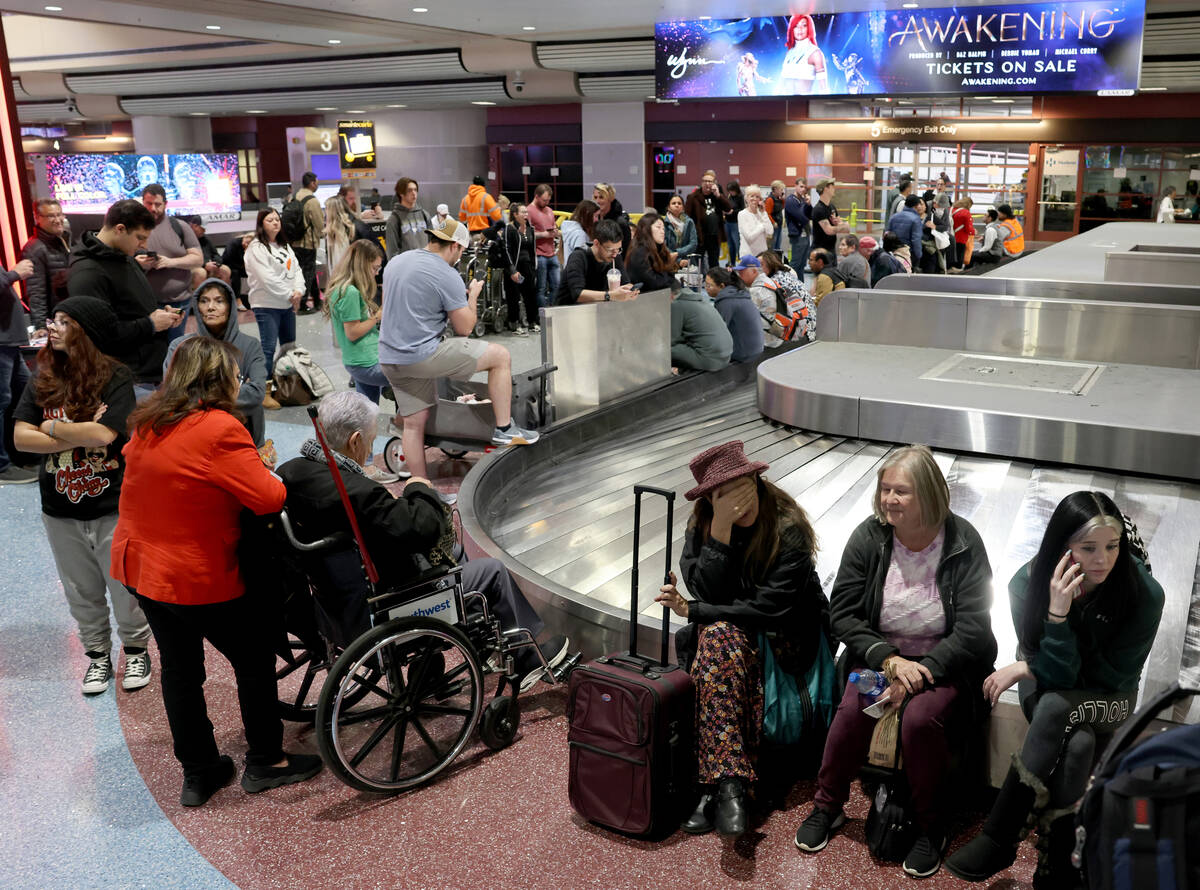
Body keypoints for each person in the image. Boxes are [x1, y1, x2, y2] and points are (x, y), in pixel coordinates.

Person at [111, 336, 322, 807]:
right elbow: (269, 498)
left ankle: (199, 771)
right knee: (252, 658)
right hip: (194, 573)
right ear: (218, 377)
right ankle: (267, 760)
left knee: (181, 671)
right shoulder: (219, 428)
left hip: (142, 567)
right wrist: (261, 470)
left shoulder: (148, 423)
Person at [278, 391, 570, 691]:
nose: (368, 450)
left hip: (336, 602)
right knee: (491, 572)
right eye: (368, 441)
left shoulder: (292, 472)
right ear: (354, 440)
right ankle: (526, 657)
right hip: (385, 602)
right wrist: (418, 488)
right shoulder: (356, 491)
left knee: (456, 553)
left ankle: (440, 658)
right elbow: (419, 528)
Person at [795, 445, 996, 879]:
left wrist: (921, 672)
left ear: (927, 494)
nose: (889, 499)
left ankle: (931, 827)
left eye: (900, 491)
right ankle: (827, 806)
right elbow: (844, 612)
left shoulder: (963, 542)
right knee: (853, 712)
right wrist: (889, 661)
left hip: (942, 664)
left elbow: (974, 627)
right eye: (885, 489)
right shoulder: (870, 538)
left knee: (920, 720)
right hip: (883, 660)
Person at [947, 492, 1164, 887]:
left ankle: (1000, 835)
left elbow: (1109, 679)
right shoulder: (1027, 583)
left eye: (1112, 546)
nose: (1103, 559)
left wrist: (1027, 664)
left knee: (1058, 711)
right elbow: (1056, 679)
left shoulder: (1144, 595)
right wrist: (1058, 615)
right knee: (1077, 743)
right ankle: (1060, 861)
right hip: (1048, 687)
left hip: (1110, 700)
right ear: (1063, 546)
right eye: (1088, 548)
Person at [656, 440, 829, 837]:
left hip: (784, 642)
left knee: (716, 640)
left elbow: (768, 609)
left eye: (739, 486)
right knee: (718, 641)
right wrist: (720, 532)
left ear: (755, 478)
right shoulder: (705, 524)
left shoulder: (788, 529)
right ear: (709, 500)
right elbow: (708, 591)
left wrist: (694, 612)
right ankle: (730, 784)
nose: (734, 501)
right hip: (731, 643)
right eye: (721, 494)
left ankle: (713, 787)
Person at [13, 296, 151, 692]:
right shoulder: (43, 378)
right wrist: (77, 427)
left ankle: (136, 650)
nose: (52, 327)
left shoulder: (116, 376)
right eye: (52, 320)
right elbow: (21, 438)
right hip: (59, 507)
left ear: (85, 331)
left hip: (112, 502)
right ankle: (97, 656)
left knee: (123, 585)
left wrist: (51, 429)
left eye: (64, 321)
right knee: (79, 589)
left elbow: (105, 434)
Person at [379, 217, 540, 484]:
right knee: (501, 357)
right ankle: (503, 428)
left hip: (390, 356)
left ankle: (420, 487)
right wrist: (473, 295)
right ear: (454, 246)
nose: (460, 257)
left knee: (413, 423)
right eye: (462, 251)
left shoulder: (396, 261)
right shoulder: (447, 273)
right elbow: (465, 327)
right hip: (423, 355)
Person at [68, 199, 179, 391]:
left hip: (150, 373)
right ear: (120, 229)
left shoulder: (123, 257)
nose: (144, 245)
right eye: (140, 238)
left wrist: (161, 317)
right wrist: (151, 324)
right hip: (126, 380)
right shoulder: (87, 272)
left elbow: (132, 309)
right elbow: (102, 337)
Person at [165, 278, 271, 445]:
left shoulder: (250, 346)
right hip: (194, 436)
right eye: (204, 301)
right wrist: (234, 391)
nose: (210, 307)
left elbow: (257, 393)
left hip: (243, 435)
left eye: (219, 301)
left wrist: (197, 393)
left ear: (230, 307)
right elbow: (173, 393)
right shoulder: (180, 346)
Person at [139, 183, 203, 344]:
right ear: (143, 203)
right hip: (148, 303)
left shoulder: (179, 227)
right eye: (149, 203)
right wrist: (139, 263)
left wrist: (170, 262)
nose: (153, 208)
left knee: (176, 346)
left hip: (180, 300)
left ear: (165, 204)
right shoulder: (135, 228)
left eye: (158, 204)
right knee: (152, 348)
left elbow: (198, 259)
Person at [244, 207, 304, 375]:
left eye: (277, 219)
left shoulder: (283, 245)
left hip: (287, 305)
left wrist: (299, 290)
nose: (275, 223)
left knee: (289, 346)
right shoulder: (256, 248)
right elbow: (267, 278)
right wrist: (290, 295)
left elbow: (296, 270)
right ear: (261, 224)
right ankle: (264, 388)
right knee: (268, 349)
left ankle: (287, 385)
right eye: (270, 220)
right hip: (266, 305)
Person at [0, 256, 36, 485]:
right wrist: (14, 274)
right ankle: (2, 466)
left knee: (24, 397)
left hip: (9, 342)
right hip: (2, 342)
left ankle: (21, 454)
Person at [555, 219, 638, 306]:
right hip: (568, 311)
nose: (614, 254)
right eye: (610, 250)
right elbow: (578, 294)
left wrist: (629, 290)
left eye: (618, 249)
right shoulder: (579, 257)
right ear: (596, 243)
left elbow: (625, 282)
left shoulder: (615, 256)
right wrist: (609, 295)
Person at [22, 198, 72, 334]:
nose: (57, 220)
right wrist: (41, 326)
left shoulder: (67, 241)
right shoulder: (34, 248)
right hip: (57, 321)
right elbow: (36, 291)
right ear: (38, 218)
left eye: (59, 214)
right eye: (51, 216)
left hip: (73, 317)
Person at [489, 201, 539, 334]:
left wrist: (534, 269)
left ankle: (532, 322)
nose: (525, 215)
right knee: (514, 296)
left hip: (527, 266)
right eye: (523, 212)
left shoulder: (530, 229)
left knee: (530, 294)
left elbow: (532, 250)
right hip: (514, 267)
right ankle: (514, 323)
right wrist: (512, 270)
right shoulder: (509, 229)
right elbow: (506, 250)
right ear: (515, 214)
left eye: (526, 212)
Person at [670, 279, 732, 372]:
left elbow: (672, 340)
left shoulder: (676, 304)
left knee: (664, 349)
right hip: (726, 356)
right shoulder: (699, 300)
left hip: (710, 360)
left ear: (669, 295)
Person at [707, 268, 763, 363]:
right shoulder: (739, 294)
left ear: (721, 286)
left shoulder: (726, 301)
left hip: (743, 353)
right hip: (756, 349)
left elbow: (717, 332)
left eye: (709, 285)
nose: (706, 288)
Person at [760, 250, 815, 343]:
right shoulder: (787, 274)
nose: (757, 268)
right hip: (811, 326)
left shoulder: (773, 282)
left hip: (801, 331)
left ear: (770, 265)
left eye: (761, 265)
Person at [292, 172, 325, 314]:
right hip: (307, 242)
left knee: (307, 272)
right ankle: (302, 304)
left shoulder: (296, 196)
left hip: (295, 241)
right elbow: (318, 223)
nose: (317, 185)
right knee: (307, 273)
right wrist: (323, 233)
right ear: (312, 183)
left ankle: (317, 300)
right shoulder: (312, 200)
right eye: (316, 182)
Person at [685, 172, 731, 271]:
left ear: (714, 183)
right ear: (701, 183)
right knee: (698, 262)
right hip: (700, 236)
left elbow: (728, 208)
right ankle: (698, 282)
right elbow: (686, 217)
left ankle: (714, 282)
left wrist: (718, 195)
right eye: (705, 181)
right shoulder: (693, 197)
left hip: (714, 235)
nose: (707, 183)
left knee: (714, 262)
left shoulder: (717, 196)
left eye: (710, 181)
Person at [732, 254, 780, 348]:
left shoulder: (756, 291)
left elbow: (745, 318)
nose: (739, 276)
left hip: (766, 340)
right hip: (777, 335)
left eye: (742, 272)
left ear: (754, 271)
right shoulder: (769, 282)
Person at [625, 213, 678, 293]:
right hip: (646, 299)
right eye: (658, 227)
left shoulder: (659, 249)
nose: (662, 232)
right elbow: (654, 283)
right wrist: (668, 274)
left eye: (663, 229)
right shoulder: (639, 251)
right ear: (646, 229)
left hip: (661, 295)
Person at [527, 184, 560, 309]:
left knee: (557, 286)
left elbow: (553, 226)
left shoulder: (549, 210)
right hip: (539, 255)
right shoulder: (529, 211)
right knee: (540, 288)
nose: (546, 202)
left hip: (552, 253)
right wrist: (544, 234)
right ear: (537, 196)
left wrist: (555, 232)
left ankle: (552, 310)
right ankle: (542, 316)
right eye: (544, 200)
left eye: (548, 200)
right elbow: (526, 234)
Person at [778, 13, 829, 94]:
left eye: (804, 25)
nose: (800, 29)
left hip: (805, 102)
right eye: (796, 26)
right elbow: (781, 82)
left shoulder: (815, 53)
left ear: (809, 28)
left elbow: (823, 88)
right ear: (792, 29)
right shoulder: (789, 52)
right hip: (785, 102)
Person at [386, 176, 433, 259]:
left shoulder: (424, 214)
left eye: (415, 190)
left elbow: (433, 243)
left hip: (425, 264)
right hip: (406, 267)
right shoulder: (394, 219)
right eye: (409, 190)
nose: (413, 193)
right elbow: (392, 252)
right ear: (401, 193)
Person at [181, 215, 231, 288]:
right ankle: (197, 297)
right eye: (202, 228)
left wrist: (217, 263)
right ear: (195, 226)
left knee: (225, 270)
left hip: (208, 265)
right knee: (201, 273)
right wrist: (204, 265)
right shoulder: (184, 239)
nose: (204, 231)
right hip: (192, 267)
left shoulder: (205, 239)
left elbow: (215, 254)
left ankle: (223, 295)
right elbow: (187, 258)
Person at [592, 182, 632, 257]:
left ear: (610, 198)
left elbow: (626, 250)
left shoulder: (620, 223)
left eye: (601, 197)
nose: (597, 201)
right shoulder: (594, 218)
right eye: (595, 197)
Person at [809, 179, 846, 257]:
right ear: (826, 188)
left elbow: (841, 224)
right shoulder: (818, 209)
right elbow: (829, 230)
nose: (834, 189)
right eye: (832, 186)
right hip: (820, 252)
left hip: (831, 249)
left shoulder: (832, 207)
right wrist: (842, 226)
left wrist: (839, 225)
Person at [784, 179, 811, 277]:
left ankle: (801, 287)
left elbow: (810, 215)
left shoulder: (803, 200)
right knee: (795, 264)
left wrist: (808, 205)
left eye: (805, 187)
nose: (803, 189)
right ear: (795, 186)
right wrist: (804, 205)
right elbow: (801, 217)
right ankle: (790, 285)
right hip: (797, 236)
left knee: (802, 265)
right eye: (801, 186)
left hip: (806, 234)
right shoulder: (791, 200)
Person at [738, 185, 774, 258]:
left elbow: (770, 232)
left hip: (762, 254)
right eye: (752, 196)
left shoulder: (762, 213)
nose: (755, 199)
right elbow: (749, 237)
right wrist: (762, 226)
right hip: (748, 255)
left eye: (757, 197)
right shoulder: (742, 214)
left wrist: (764, 213)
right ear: (746, 198)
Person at [890, 194, 925, 270]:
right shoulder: (916, 219)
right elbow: (916, 239)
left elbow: (887, 234)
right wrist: (919, 255)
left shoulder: (894, 217)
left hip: (894, 252)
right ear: (916, 206)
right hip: (908, 253)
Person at [324, 195, 355, 277]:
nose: (325, 212)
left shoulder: (348, 230)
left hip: (347, 276)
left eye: (327, 209)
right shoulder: (331, 231)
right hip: (337, 276)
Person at [663, 194, 698, 266]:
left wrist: (678, 253)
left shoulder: (689, 222)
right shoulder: (664, 223)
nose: (677, 205)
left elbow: (693, 243)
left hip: (688, 261)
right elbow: (663, 245)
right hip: (670, 260)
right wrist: (678, 261)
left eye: (679, 203)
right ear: (668, 207)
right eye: (673, 203)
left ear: (683, 207)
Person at [951, 198, 975, 270]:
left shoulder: (951, 209)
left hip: (950, 237)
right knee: (959, 256)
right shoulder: (965, 212)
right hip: (960, 238)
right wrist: (973, 231)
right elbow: (968, 229)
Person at [724, 181, 744, 266]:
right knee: (730, 245)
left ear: (736, 189)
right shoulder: (729, 196)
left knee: (737, 244)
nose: (730, 192)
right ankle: (732, 263)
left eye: (732, 190)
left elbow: (742, 210)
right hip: (727, 222)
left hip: (736, 223)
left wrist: (733, 212)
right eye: (729, 191)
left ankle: (741, 262)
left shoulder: (740, 197)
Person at [764, 180, 786, 252]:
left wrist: (783, 199)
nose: (782, 191)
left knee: (778, 243)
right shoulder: (770, 199)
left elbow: (783, 207)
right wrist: (773, 222)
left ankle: (777, 259)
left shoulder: (779, 198)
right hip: (773, 225)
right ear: (775, 189)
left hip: (779, 224)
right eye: (781, 189)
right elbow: (767, 213)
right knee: (773, 244)